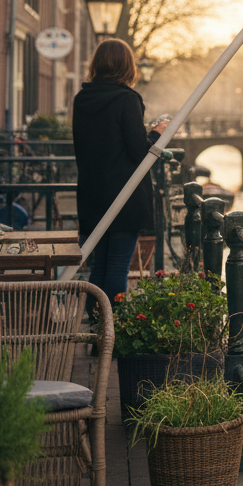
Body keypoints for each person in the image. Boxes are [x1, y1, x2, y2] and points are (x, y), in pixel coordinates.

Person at [72, 39, 169, 305]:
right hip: (124, 197)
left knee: (99, 265)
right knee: (117, 268)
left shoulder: (82, 99)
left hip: (92, 194)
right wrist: (156, 133)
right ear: (127, 66)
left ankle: (96, 326)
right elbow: (139, 153)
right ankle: (112, 331)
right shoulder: (127, 99)